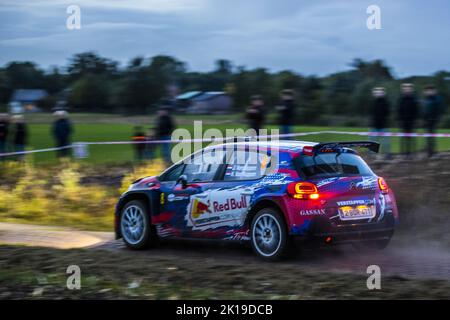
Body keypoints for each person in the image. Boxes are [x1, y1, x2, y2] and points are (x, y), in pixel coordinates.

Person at [397, 83, 419, 158]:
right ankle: (403, 153)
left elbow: (416, 111)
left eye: (408, 88)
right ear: (403, 90)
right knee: (403, 139)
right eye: (405, 89)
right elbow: (399, 110)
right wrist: (400, 120)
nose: (407, 90)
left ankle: (411, 153)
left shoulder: (414, 99)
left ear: (411, 90)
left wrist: (414, 120)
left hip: (411, 122)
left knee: (411, 139)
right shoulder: (401, 99)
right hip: (403, 122)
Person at [422, 85, 445, 157]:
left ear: (433, 91)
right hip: (427, 121)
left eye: (430, 90)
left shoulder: (437, 99)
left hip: (433, 121)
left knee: (432, 137)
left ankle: (434, 152)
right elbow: (425, 110)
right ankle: (429, 152)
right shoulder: (427, 99)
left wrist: (437, 119)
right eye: (427, 91)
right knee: (428, 137)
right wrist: (424, 119)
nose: (428, 92)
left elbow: (440, 110)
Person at [370, 87, 391, 158]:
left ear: (383, 94)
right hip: (375, 126)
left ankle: (387, 154)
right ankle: (373, 155)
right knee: (372, 141)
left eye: (380, 92)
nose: (379, 94)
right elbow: (373, 113)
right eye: (377, 92)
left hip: (384, 126)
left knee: (386, 142)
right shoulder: (374, 102)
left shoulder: (386, 102)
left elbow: (387, 112)